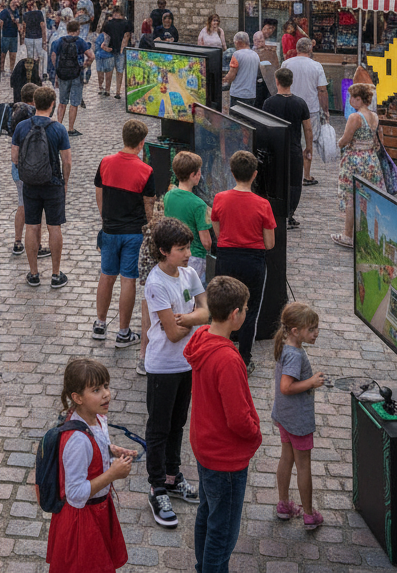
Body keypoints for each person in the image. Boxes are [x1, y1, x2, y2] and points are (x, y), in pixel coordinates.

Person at [183, 276, 262, 573]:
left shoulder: (202, 337)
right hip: (225, 457)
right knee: (223, 534)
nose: (246, 312)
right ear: (234, 315)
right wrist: (254, 431)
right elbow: (239, 418)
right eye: (245, 308)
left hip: (205, 447)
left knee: (207, 514)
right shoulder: (228, 359)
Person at [144, 218, 208, 528]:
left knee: (178, 424)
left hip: (187, 364)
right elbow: (170, 332)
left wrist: (189, 319)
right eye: (181, 249)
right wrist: (195, 319)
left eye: (187, 247)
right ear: (163, 251)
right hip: (163, 367)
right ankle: (156, 486)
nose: (187, 253)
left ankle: (172, 475)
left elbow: (207, 310)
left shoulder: (190, 272)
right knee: (159, 429)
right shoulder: (156, 283)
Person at [46, 358, 134, 573]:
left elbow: (97, 441)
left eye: (106, 386)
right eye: (96, 389)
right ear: (77, 398)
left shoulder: (98, 418)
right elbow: (75, 493)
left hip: (98, 510)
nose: (106, 394)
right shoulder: (77, 440)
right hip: (83, 520)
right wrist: (112, 474)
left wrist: (111, 449)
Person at [92, 119, 156, 349]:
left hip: (110, 230)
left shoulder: (105, 162)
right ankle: (123, 332)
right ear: (141, 143)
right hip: (133, 233)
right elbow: (149, 206)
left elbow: (99, 195)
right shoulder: (146, 171)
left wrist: (105, 218)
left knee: (106, 275)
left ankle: (99, 324)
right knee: (128, 279)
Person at [210, 151, 276, 370]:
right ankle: (244, 359)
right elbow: (270, 243)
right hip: (252, 261)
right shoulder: (263, 204)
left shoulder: (219, 198)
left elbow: (218, 233)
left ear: (232, 172)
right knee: (250, 310)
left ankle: (220, 351)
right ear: (254, 174)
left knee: (222, 306)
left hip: (227, 257)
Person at [12, 85, 71, 289]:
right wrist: (64, 182)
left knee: (32, 225)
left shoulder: (21, 127)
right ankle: (55, 274)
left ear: (34, 103)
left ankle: (34, 273)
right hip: (53, 183)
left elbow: (14, 157)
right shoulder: (58, 129)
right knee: (54, 227)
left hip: (30, 184)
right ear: (53, 104)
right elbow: (67, 161)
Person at [272, 302, 325, 530]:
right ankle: (309, 515)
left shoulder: (285, 345)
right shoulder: (295, 355)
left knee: (286, 457)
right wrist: (312, 382)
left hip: (284, 415)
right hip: (297, 420)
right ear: (295, 331)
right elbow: (286, 386)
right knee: (303, 466)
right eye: (311, 329)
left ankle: (283, 505)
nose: (316, 332)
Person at [333, 84, 384, 248]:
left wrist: (337, 143)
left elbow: (346, 139)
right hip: (371, 159)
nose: (349, 101)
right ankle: (367, 236)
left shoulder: (355, 117)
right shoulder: (374, 116)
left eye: (351, 98)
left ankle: (348, 235)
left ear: (359, 99)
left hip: (355, 160)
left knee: (351, 198)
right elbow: (379, 140)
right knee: (367, 198)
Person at [261, 68, 312, 228]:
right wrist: (308, 147)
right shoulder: (300, 103)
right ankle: (290, 213)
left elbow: (264, 126)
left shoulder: (269, 103)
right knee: (295, 183)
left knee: (274, 180)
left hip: (275, 149)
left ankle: (276, 213)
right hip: (294, 148)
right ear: (291, 81)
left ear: (277, 81)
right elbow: (308, 128)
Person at [281, 38, 329, 187]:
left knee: (290, 140)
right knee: (308, 142)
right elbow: (322, 90)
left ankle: (289, 172)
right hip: (310, 108)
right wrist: (325, 110)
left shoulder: (287, 64)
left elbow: (280, 85)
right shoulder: (316, 66)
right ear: (310, 49)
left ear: (296, 48)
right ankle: (306, 175)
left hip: (289, 105)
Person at [163, 152, 213, 283]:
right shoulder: (199, 205)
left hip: (173, 254)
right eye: (199, 172)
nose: (200, 175)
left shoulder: (169, 195)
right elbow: (206, 243)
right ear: (193, 175)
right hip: (194, 257)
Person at [10, 82, 39, 256]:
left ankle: (17, 240)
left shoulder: (15, 113)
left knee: (21, 204)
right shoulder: (33, 115)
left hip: (17, 168)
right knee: (35, 208)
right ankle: (37, 244)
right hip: (31, 167)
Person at [51, 20, 94, 137]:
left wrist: (57, 68)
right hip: (76, 74)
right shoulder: (80, 42)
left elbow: (53, 55)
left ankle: (59, 126)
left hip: (62, 74)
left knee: (62, 101)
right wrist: (84, 65)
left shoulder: (59, 41)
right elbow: (91, 56)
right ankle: (70, 128)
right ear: (78, 30)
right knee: (74, 103)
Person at [222, 32, 260, 110]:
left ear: (237, 42)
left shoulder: (237, 55)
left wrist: (223, 80)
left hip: (238, 93)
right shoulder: (255, 55)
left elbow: (231, 75)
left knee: (236, 119)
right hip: (251, 94)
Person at [102, 6, 133, 99]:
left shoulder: (108, 23)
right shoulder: (127, 23)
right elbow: (128, 37)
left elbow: (106, 37)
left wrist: (105, 47)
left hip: (110, 49)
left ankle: (107, 90)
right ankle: (118, 92)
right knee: (119, 71)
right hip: (121, 50)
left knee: (109, 70)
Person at [0, 0, 21, 73]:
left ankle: (12, 69)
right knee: (3, 53)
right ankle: (1, 68)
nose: (16, 3)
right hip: (6, 35)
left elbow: (20, 22)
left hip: (14, 35)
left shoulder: (17, 11)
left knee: (13, 53)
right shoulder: (5, 11)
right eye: (14, 1)